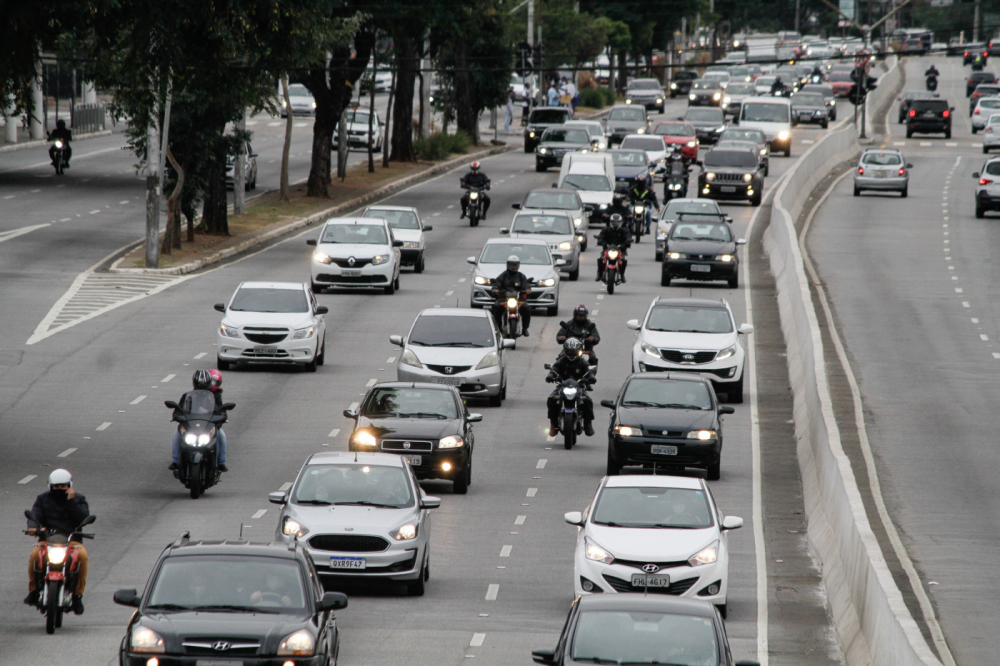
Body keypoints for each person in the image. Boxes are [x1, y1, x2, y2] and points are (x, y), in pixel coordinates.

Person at [25, 469, 90, 614]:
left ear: (69, 485)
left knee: (83, 557)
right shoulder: (42, 499)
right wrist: (33, 527)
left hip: (72, 541)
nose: (60, 489)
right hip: (47, 541)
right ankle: (34, 590)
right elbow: (34, 515)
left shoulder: (78, 499)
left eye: (63, 486)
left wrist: (71, 501)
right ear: (50, 486)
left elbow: (82, 518)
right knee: (35, 555)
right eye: (56, 486)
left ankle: (78, 595)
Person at [169, 369, 229, 472]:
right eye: (199, 383)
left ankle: (221, 462)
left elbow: (221, 411)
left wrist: (221, 417)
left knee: (221, 436)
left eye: (204, 383)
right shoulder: (187, 396)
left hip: (208, 425)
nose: (202, 386)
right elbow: (178, 410)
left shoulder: (215, 396)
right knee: (176, 434)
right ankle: (176, 461)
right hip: (191, 425)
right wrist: (177, 416)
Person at [546, 338, 595, 436]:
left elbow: (588, 371)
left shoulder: (582, 362)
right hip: (562, 387)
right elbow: (554, 369)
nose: (572, 353)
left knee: (587, 401)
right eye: (569, 351)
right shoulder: (561, 361)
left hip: (578, 387)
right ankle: (553, 423)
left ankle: (588, 424)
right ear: (565, 350)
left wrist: (591, 377)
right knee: (552, 399)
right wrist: (550, 376)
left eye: (574, 351)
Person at [491, 255, 532, 336]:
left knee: (527, 308)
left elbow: (526, 284)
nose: (514, 267)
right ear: (508, 265)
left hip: (518, 299)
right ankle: (498, 329)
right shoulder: (503, 276)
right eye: (512, 265)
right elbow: (497, 284)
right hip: (504, 299)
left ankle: (525, 328)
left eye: (515, 265)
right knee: (496, 306)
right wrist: (495, 290)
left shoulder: (521, 276)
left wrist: (527, 290)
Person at [595, 214, 631, 283]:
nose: (615, 224)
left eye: (617, 222)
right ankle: (599, 274)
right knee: (601, 259)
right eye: (613, 222)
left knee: (623, 260)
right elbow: (601, 236)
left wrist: (627, 243)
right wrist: (600, 241)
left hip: (619, 249)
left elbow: (628, 237)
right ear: (610, 222)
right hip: (607, 249)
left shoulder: (624, 230)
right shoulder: (606, 230)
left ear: (620, 222)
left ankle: (622, 274)